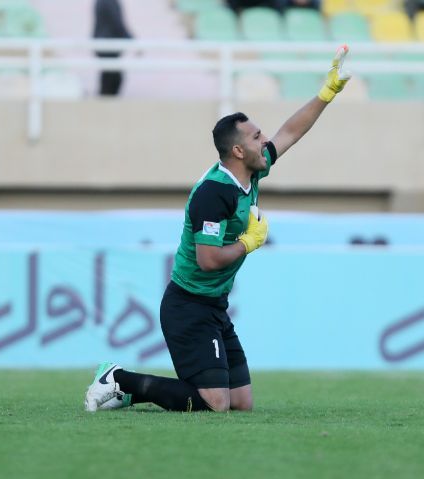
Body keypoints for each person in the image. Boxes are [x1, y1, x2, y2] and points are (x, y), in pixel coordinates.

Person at [84, 46, 352, 413]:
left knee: (240, 402)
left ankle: (127, 391)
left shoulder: (252, 170)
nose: (265, 141)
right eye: (256, 137)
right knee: (215, 403)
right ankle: (119, 379)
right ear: (238, 152)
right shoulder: (214, 193)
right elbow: (208, 259)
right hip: (188, 306)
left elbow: (290, 132)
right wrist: (248, 242)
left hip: (214, 305)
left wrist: (327, 92)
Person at [93, 0, 133, 96]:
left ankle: (105, 101)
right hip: (107, 45)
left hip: (105, 43)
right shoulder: (108, 2)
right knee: (112, 79)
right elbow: (117, 23)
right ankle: (104, 102)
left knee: (111, 78)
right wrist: (131, 40)